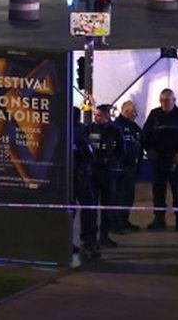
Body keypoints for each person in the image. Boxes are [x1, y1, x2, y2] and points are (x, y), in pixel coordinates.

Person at [142, 88, 178, 231]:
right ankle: (159, 219)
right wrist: (148, 150)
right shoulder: (154, 115)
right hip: (158, 161)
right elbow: (145, 135)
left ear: (174, 100)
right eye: (162, 100)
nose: (165, 103)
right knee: (158, 191)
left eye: (167, 100)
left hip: (176, 161)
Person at [88, 105, 125, 248]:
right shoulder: (89, 129)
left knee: (107, 206)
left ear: (107, 116)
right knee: (91, 207)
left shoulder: (115, 130)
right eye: (96, 115)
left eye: (100, 115)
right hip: (92, 173)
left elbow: (121, 150)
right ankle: (90, 238)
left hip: (108, 173)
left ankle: (104, 236)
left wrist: (111, 161)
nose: (97, 118)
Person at [72, 107, 101, 260]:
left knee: (68, 209)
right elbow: (89, 153)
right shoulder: (81, 130)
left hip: (63, 177)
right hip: (81, 176)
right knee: (88, 207)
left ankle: (64, 241)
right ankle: (88, 241)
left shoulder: (58, 129)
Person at [113, 99, 145, 232]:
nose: (135, 115)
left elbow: (141, 142)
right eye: (134, 113)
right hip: (120, 168)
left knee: (128, 196)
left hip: (132, 167)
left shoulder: (134, 127)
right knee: (118, 196)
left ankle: (125, 220)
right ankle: (115, 224)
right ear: (126, 111)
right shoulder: (116, 127)